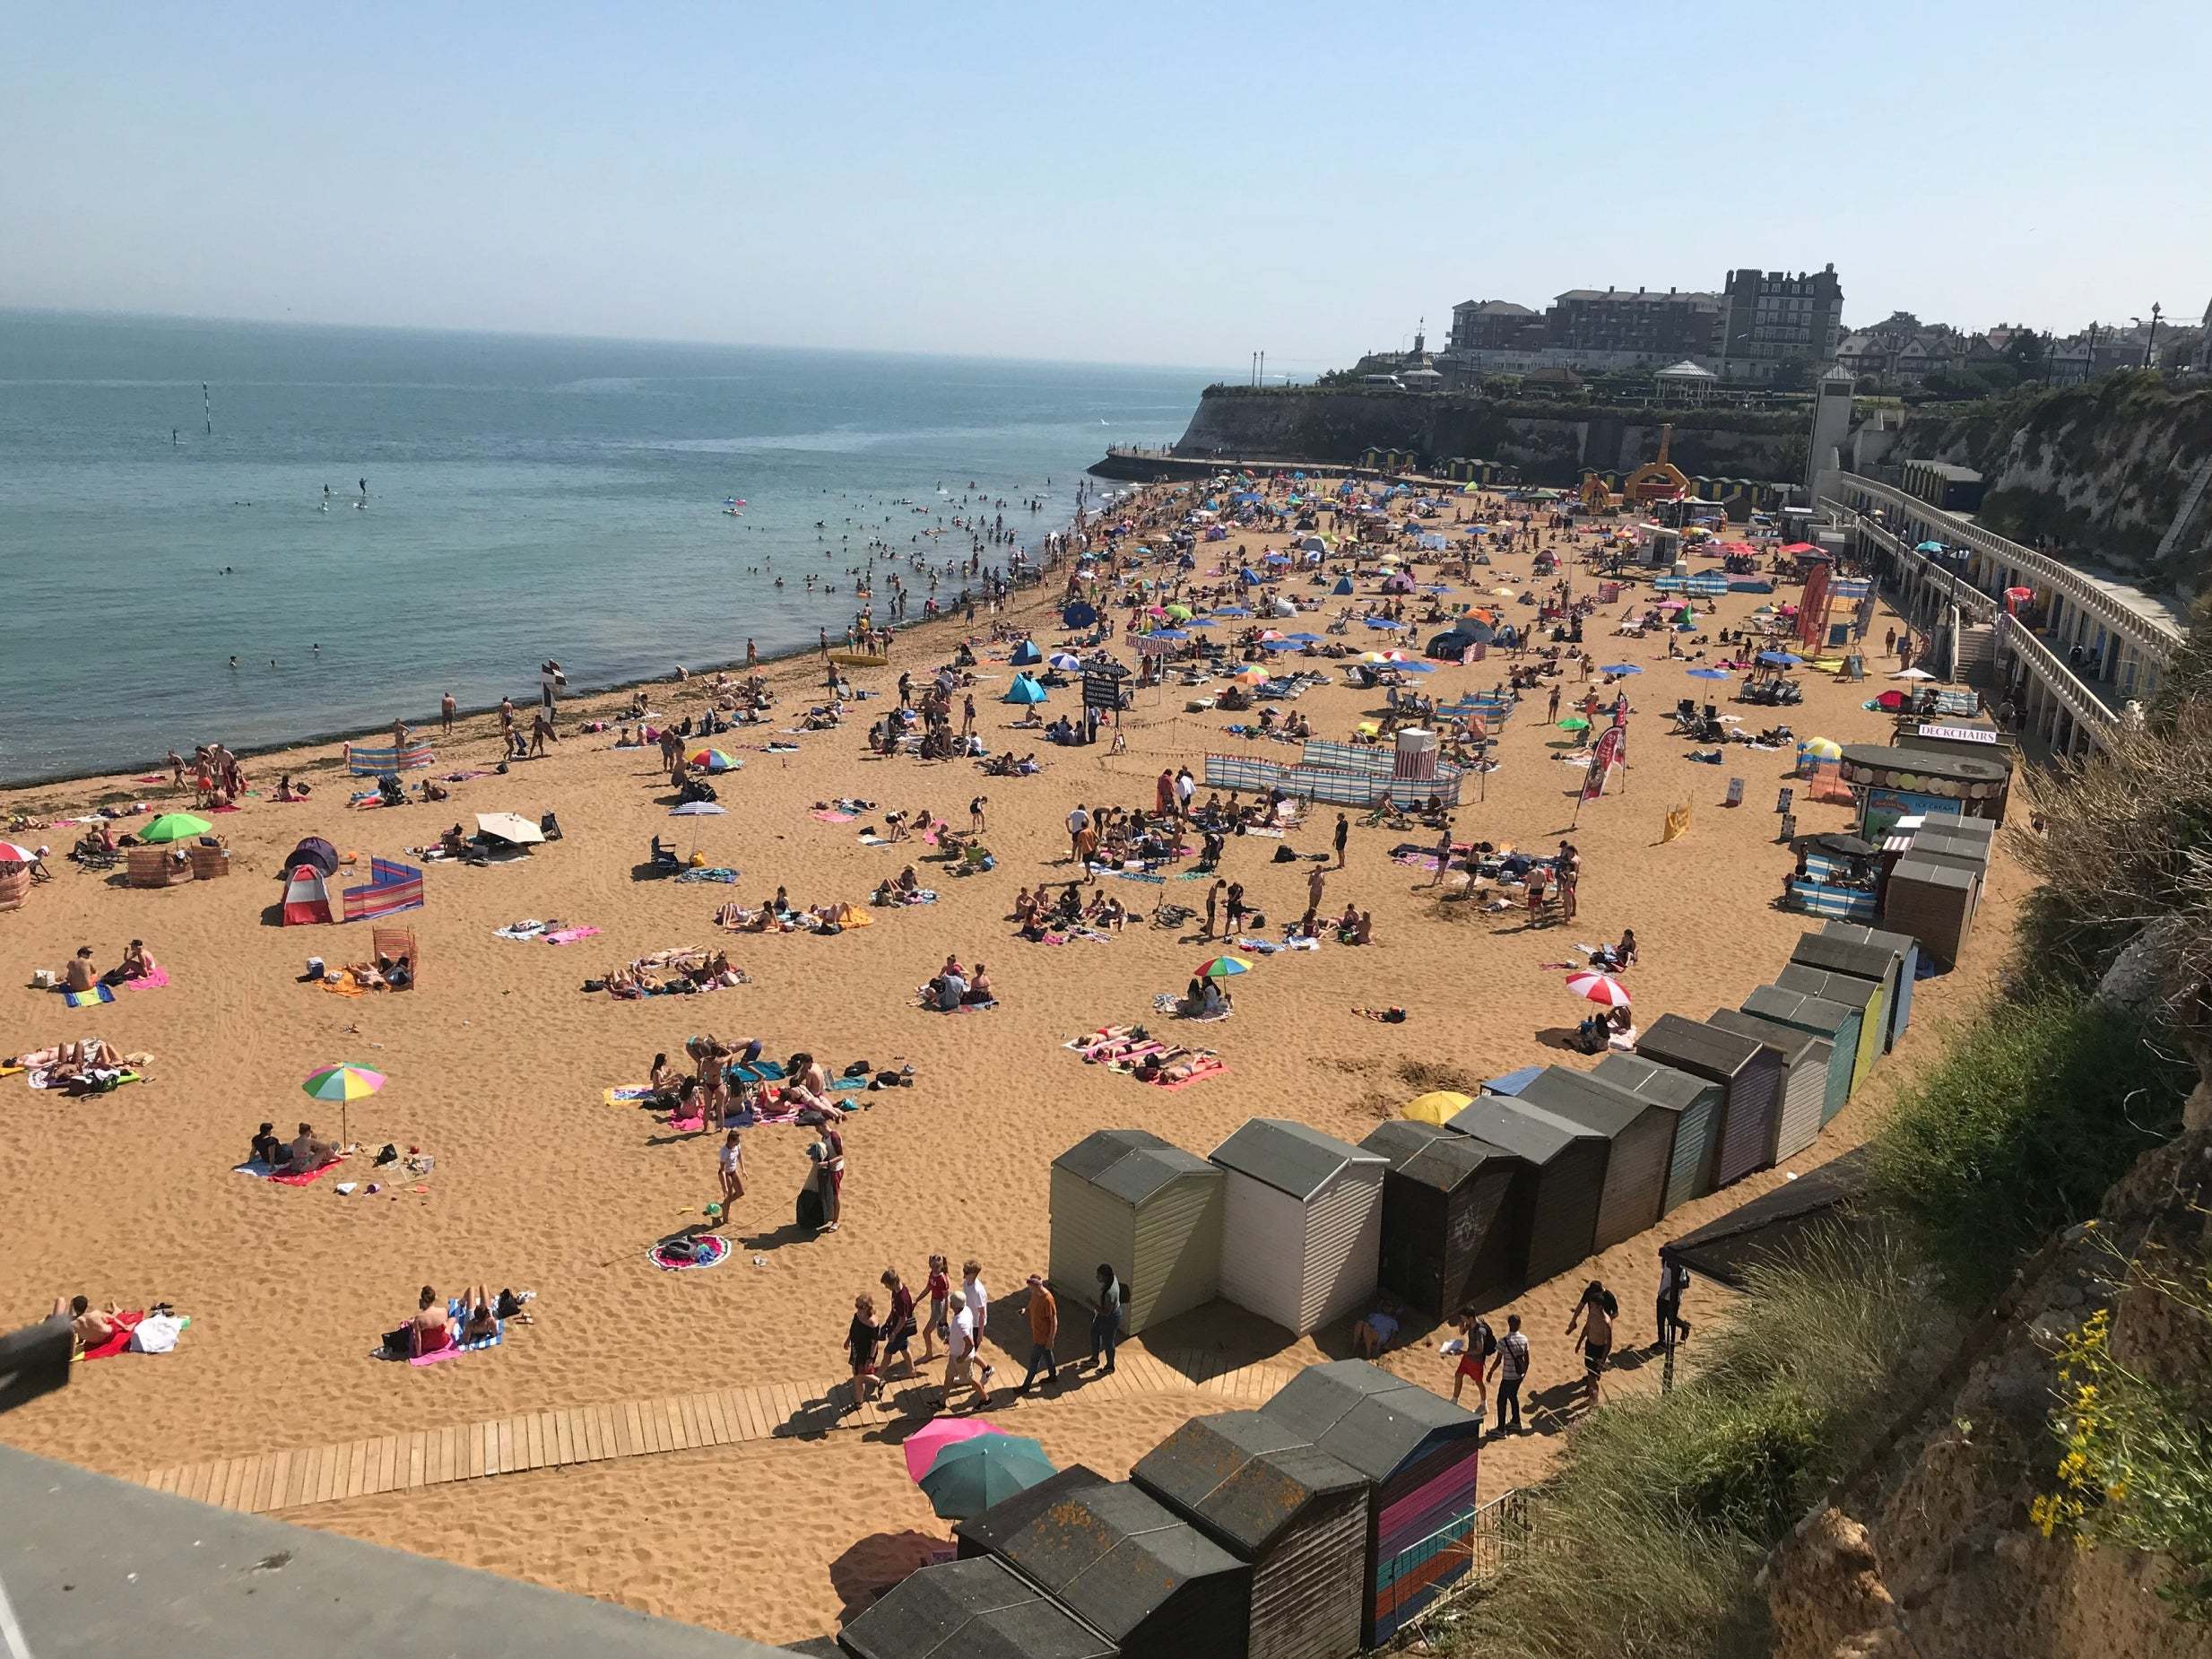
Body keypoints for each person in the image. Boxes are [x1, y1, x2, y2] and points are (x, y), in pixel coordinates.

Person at [1565, 1280, 1616, 1406]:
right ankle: (1591, 1390)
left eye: (1592, 1305)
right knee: (1590, 1373)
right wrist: (1579, 1342)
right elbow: (1586, 1328)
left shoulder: (1606, 1322)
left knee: (1593, 1378)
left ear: (1599, 1306)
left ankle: (1594, 1400)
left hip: (1599, 1348)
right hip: (1590, 1345)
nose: (1590, 1306)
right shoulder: (1592, 1315)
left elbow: (1609, 1344)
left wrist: (1603, 1361)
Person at [1019, 1273, 1059, 1394]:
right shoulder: (1035, 1295)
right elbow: (1031, 1307)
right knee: (1047, 1353)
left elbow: (1054, 1321)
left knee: (1034, 1361)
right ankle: (1053, 1376)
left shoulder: (1048, 1299)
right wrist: (1025, 1310)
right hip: (1037, 1333)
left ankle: (1026, 1386)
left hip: (1043, 1336)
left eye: (1030, 1287)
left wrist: (1051, 1339)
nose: (1029, 1290)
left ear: (1036, 1286)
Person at [1452, 1309, 1496, 1412]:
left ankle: (1484, 1405)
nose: (1463, 1320)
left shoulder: (1479, 1331)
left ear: (1470, 1318)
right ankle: (1454, 1400)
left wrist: (1463, 1353)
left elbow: (1479, 1350)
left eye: (1464, 1318)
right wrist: (1461, 1326)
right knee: (1458, 1375)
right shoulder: (1470, 1324)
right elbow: (1462, 1332)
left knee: (1478, 1382)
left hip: (1476, 1361)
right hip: (1468, 1357)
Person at [845, 1292, 882, 1411]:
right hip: (856, 1349)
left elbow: (874, 1343)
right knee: (857, 1375)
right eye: (856, 1305)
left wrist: (870, 1359)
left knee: (858, 1377)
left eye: (860, 1307)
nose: (858, 1309)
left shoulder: (872, 1322)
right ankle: (877, 1382)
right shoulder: (857, 1315)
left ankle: (859, 1402)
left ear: (867, 1307)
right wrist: (848, 1340)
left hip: (865, 1354)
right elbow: (853, 1329)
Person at [880, 1267, 918, 1381]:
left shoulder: (902, 1298)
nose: (886, 1288)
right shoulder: (896, 1290)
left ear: (894, 1283)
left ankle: (877, 1376)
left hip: (900, 1329)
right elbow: (894, 1310)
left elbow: (903, 1319)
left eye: (887, 1285)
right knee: (904, 1348)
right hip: (897, 1327)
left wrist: (894, 1333)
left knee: (888, 1352)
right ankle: (911, 1371)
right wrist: (888, 1320)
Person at [1493, 1314, 1529, 1435]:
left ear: (1509, 1324)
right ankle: (1516, 1421)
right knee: (1513, 1396)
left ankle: (1501, 1429)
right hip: (1518, 1376)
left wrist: (1490, 1372)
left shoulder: (1503, 1341)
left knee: (1501, 1400)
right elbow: (1527, 1360)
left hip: (1508, 1377)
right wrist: (1523, 1374)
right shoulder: (1524, 1339)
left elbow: (1498, 1361)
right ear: (1519, 1325)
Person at [52, 1295, 122, 1353]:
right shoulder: (95, 1314)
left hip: (92, 1340)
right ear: (86, 1307)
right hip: (107, 1336)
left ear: (74, 1309)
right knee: (108, 1316)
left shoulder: (73, 1324)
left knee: (61, 1300)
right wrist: (125, 1326)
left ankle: (116, 1310)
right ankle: (116, 1310)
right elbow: (111, 1319)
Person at [1088, 1263, 1121, 1373]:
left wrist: (1092, 1304)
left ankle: (1110, 1366)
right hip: (1103, 1314)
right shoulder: (1113, 1278)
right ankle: (1094, 1359)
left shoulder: (1110, 1293)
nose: (1097, 1277)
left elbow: (1107, 1312)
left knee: (1108, 1341)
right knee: (1094, 1332)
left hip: (1110, 1317)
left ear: (1106, 1277)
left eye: (1099, 1276)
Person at [922, 1253, 952, 1364]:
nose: (934, 1268)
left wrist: (944, 1315)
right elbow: (928, 1288)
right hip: (933, 1303)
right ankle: (953, 1343)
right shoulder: (932, 1274)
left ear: (941, 1266)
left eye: (936, 1266)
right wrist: (917, 1300)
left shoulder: (942, 1279)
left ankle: (929, 1354)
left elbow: (946, 1298)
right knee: (942, 1330)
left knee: (926, 1333)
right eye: (932, 1265)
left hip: (939, 1306)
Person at [1656, 1256, 1692, 1351]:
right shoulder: (1666, 1262)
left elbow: (1684, 1283)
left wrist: (1669, 1288)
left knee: (1671, 1319)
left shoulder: (1680, 1267)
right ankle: (1662, 1341)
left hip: (1673, 1298)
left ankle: (1684, 1326)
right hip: (1662, 1295)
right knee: (1660, 1318)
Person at [412, 1285, 454, 1358]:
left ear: (422, 1300)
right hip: (442, 1342)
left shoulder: (419, 1318)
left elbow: (418, 1338)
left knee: (414, 1325)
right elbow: (445, 1326)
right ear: (434, 1299)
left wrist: (419, 1354)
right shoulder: (443, 1310)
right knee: (452, 1320)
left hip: (427, 1345)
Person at [716, 1128, 745, 1220]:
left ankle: (724, 1204)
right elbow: (722, 1170)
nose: (738, 1143)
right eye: (736, 1141)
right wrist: (724, 1186)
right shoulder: (724, 1151)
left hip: (733, 1171)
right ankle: (725, 1219)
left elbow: (739, 1156)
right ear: (731, 1140)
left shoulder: (736, 1146)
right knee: (728, 1195)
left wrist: (743, 1169)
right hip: (725, 1174)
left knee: (740, 1192)